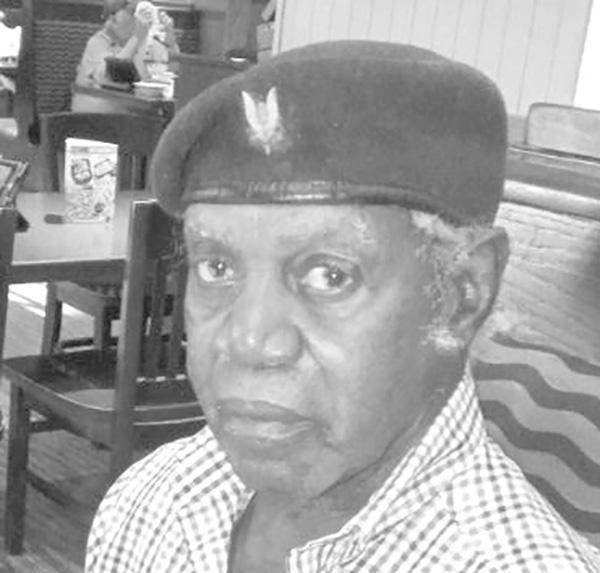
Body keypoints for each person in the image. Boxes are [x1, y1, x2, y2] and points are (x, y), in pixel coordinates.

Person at [85, 41, 600, 572]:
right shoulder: (151, 504)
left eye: (330, 276)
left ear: (461, 293)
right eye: (216, 267)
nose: (249, 340)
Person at [75, 0, 179, 87]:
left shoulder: (148, 41)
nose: (140, 19)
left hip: (135, 103)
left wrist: (171, 44)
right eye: (133, 12)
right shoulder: (98, 41)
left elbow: (174, 73)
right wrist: (136, 38)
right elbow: (108, 76)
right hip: (98, 103)